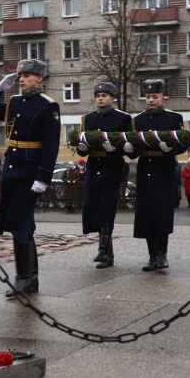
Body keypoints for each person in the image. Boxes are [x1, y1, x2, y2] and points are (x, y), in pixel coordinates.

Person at [0, 58, 61, 296]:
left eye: (26, 75)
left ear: (40, 78)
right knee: (18, 224)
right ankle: (28, 278)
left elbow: (51, 145)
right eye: (20, 75)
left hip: (29, 172)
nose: (21, 79)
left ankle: (25, 278)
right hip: (12, 169)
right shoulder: (13, 101)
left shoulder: (48, 105)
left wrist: (43, 177)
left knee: (20, 223)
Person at [123, 79, 185, 271]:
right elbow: (134, 151)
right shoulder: (138, 120)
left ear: (162, 97)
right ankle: (152, 256)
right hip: (145, 170)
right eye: (148, 97)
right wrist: (128, 148)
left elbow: (182, 143)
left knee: (162, 212)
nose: (151, 100)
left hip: (164, 169)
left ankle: (162, 255)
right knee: (146, 213)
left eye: (155, 97)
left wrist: (171, 149)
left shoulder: (174, 118)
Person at [75, 81, 133, 268]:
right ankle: (106, 252)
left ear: (112, 98)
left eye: (104, 95)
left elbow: (129, 147)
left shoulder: (122, 118)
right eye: (98, 95)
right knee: (93, 206)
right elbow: (83, 148)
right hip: (94, 166)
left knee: (107, 207)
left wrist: (115, 149)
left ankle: (104, 251)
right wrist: (82, 148)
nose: (100, 98)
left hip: (112, 166)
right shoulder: (88, 118)